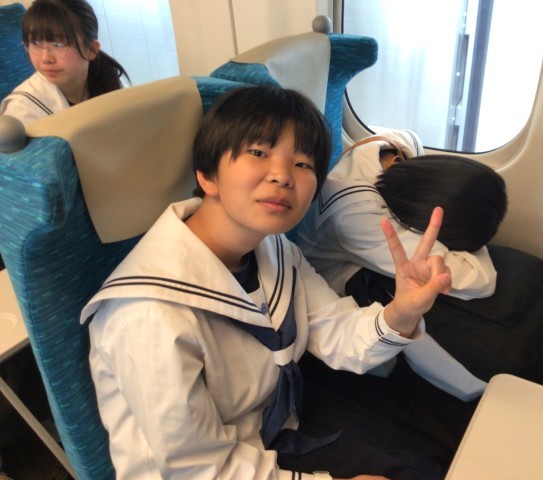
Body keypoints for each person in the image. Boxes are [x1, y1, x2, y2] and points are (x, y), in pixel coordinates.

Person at [80, 86, 454, 480]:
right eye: (259, 153)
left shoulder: (272, 248)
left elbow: (333, 330)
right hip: (213, 469)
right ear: (207, 176)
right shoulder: (148, 315)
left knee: (430, 441)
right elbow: (199, 468)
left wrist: (401, 311)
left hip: (274, 431)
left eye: (303, 163)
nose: (283, 176)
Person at [295, 131, 508, 401]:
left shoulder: (399, 144)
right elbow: (481, 280)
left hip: (358, 252)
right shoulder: (355, 215)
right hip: (336, 278)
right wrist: (471, 241)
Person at [0, 0, 129, 125]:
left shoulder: (108, 76)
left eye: (59, 45)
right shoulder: (22, 111)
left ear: (91, 50)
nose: (46, 58)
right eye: (36, 43)